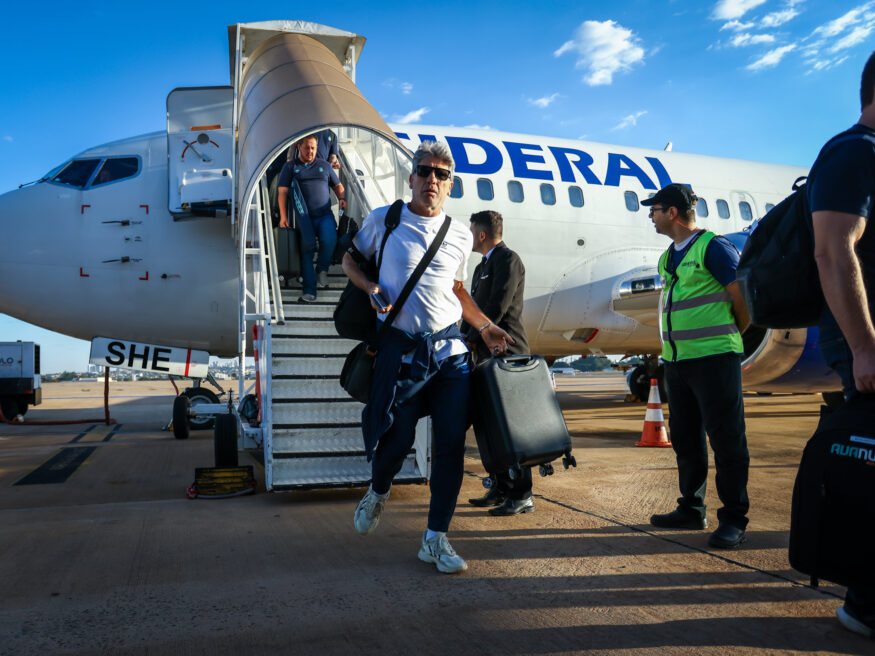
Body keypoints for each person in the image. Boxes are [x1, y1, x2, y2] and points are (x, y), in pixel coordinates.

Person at [342, 141, 513, 574]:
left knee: (451, 446)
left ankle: (435, 538)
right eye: (425, 171)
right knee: (396, 440)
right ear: (412, 177)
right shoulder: (386, 220)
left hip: (451, 354)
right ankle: (378, 490)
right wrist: (369, 287)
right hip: (401, 353)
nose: (431, 180)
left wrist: (485, 325)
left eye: (440, 175)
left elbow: (456, 289)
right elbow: (350, 259)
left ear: (449, 184)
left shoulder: (458, 233)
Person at [644, 183, 751, 549]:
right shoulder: (667, 257)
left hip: (715, 359)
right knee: (687, 440)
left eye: (655, 209)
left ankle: (734, 518)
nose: (651, 215)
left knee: (726, 440)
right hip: (678, 362)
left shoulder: (713, 248)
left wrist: (728, 336)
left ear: (672, 212)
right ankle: (692, 508)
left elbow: (744, 300)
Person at [810, 50, 875, 640]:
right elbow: (832, 250)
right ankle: (866, 602)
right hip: (868, 341)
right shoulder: (856, 150)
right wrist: (864, 347)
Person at [461, 210, 534, 516]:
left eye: (471, 230)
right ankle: (501, 487)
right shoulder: (481, 267)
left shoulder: (508, 260)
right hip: (484, 355)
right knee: (490, 428)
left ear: (481, 234)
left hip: (507, 352)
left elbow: (497, 307)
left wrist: (470, 338)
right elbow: (475, 309)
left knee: (513, 429)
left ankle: (522, 494)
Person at [278, 134, 346, 302]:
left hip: (324, 215)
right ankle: (309, 291)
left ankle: (322, 270)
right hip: (303, 218)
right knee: (307, 249)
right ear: (299, 147)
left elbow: (337, 185)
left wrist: (342, 198)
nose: (310, 151)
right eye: (307, 147)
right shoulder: (291, 167)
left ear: (317, 149)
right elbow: (282, 192)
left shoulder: (324, 165)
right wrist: (283, 216)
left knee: (330, 240)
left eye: (313, 148)